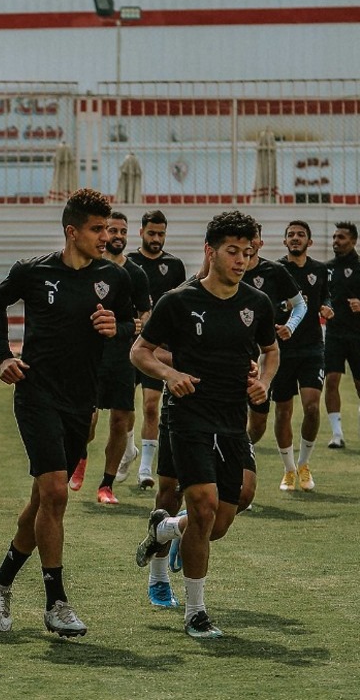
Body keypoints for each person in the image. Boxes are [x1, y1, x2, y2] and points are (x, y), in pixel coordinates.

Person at [0, 188, 133, 638]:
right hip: (36, 394)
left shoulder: (114, 278)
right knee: (55, 494)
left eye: (107, 228)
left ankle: (1, 578)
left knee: (42, 501)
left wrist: (117, 327)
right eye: (97, 229)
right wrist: (3, 356)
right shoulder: (32, 271)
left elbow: (132, 323)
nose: (105, 236)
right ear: (72, 231)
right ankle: (56, 603)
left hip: (80, 402)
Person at [132, 210, 279, 639]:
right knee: (202, 506)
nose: (241, 260)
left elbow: (271, 351)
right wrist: (170, 375)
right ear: (210, 251)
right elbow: (140, 351)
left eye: (247, 252)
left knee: (221, 520)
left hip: (232, 419)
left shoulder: (257, 303)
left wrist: (264, 383)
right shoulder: (178, 301)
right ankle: (195, 612)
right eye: (232, 251)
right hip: (189, 416)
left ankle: (164, 528)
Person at [76, 211, 152, 504]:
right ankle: (79, 457)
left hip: (123, 356)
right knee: (87, 418)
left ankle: (106, 485)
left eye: (123, 231)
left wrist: (140, 328)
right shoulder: (88, 267)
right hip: (90, 354)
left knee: (121, 419)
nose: (118, 236)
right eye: (112, 230)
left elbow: (145, 312)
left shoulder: (135, 274)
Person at [126, 210, 188, 488]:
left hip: (156, 349)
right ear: (141, 232)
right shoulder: (128, 263)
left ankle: (145, 469)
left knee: (151, 406)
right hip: (128, 345)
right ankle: (128, 449)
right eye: (151, 233)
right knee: (123, 409)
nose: (156, 239)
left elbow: (180, 306)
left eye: (161, 234)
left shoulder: (174, 266)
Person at [273, 220, 331, 491]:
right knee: (283, 412)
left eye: (301, 234)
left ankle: (304, 464)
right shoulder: (275, 270)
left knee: (312, 407)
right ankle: (288, 469)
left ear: (310, 241)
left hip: (311, 348)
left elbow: (327, 296)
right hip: (282, 350)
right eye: (291, 235)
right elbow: (266, 304)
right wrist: (284, 306)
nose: (295, 238)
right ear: (284, 241)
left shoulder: (319, 270)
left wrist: (327, 307)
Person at [242, 224, 305, 448]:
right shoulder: (225, 270)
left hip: (264, 354)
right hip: (232, 353)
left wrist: (290, 326)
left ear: (261, 242)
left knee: (258, 424)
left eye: (254, 237)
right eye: (245, 237)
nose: (250, 242)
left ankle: (241, 450)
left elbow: (300, 304)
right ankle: (229, 458)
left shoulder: (274, 271)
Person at [324, 221, 360, 448]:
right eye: (335, 237)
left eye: (342, 237)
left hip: (358, 335)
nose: (336, 241)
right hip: (334, 334)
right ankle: (337, 434)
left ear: (353, 241)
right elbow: (321, 296)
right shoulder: (326, 268)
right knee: (331, 381)